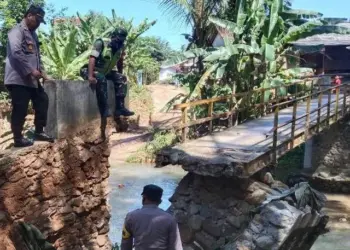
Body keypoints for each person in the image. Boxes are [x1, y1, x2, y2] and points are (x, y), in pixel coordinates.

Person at [4, 5, 54, 147]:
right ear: (29, 15)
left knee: (42, 100)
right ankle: (18, 139)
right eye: (37, 20)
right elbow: (16, 52)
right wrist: (31, 70)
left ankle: (39, 131)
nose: (38, 24)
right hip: (18, 78)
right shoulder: (16, 30)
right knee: (20, 108)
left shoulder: (33, 34)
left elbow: (36, 57)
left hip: (31, 80)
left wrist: (43, 73)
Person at [81, 28, 134, 140]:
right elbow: (92, 59)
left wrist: (120, 75)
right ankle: (104, 109)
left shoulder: (120, 47)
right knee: (101, 79)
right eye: (118, 39)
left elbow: (120, 62)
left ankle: (120, 108)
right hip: (90, 70)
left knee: (121, 78)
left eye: (122, 40)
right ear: (113, 36)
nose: (119, 41)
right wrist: (90, 76)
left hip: (106, 72)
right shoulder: (101, 43)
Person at [121, 184, 183, 250]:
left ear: (144, 197)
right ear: (160, 201)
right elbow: (176, 247)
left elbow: (125, 244)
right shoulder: (170, 219)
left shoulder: (131, 217)